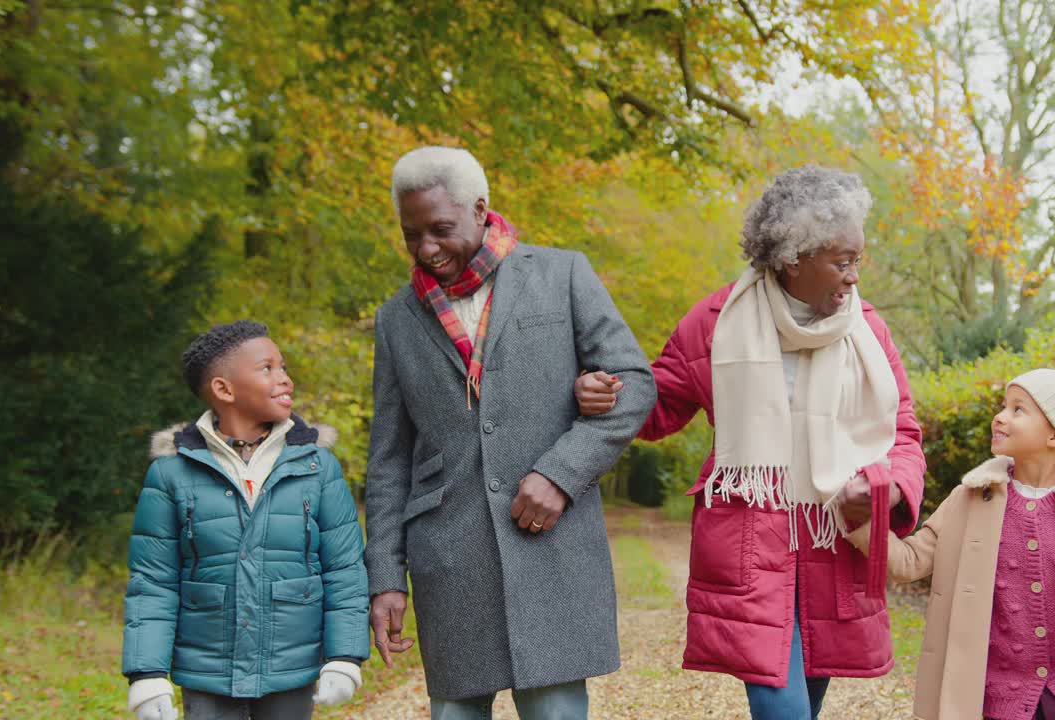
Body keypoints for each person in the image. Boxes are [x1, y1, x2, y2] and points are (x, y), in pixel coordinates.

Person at [576, 165, 926, 720]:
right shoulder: (715, 321)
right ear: (794, 258)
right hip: (748, 543)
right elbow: (658, 407)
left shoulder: (869, 331)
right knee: (780, 709)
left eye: (858, 259)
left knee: (803, 705)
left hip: (834, 543)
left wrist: (881, 487)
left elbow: (903, 435)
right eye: (843, 261)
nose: (855, 276)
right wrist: (602, 394)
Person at [363, 146, 656, 720]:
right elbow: (389, 460)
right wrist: (384, 577)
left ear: (479, 210)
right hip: (449, 562)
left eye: (441, 230)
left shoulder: (562, 273)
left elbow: (634, 383)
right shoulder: (395, 319)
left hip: (552, 548)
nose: (426, 249)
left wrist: (561, 473)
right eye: (411, 235)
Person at [846, 369, 1055, 720]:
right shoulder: (968, 499)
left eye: (1018, 409)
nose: (1000, 417)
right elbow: (909, 561)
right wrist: (858, 518)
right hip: (996, 706)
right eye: (1003, 406)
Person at [121, 320, 369, 720]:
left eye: (283, 367)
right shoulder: (171, 472)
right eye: (267, 368)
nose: (284, 379)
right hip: (206, 670)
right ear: (224, 389)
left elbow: (344, 568)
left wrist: (345, 655)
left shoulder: (317, 466)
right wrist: (146, 672)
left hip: (292, 665)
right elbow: (153, 579)